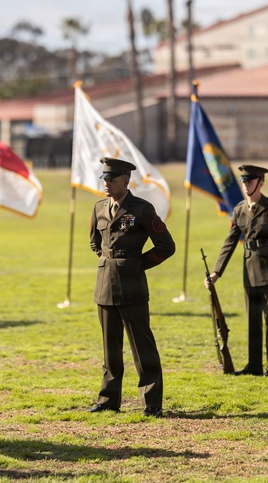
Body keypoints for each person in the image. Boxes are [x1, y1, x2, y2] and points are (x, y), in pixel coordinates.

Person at [87, 157, 175, 417]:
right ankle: (108, 399)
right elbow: (95, 243)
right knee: (110, 348)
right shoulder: (99, 208)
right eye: (104, 179)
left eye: (111, 180)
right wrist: (110, 263)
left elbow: (166, 246)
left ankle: (151, 402)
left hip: (133, 287)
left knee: (142, 348)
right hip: (105, 286)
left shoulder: (142, 209)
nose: (106, 184)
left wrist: (137, 264)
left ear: (126, 181)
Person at [207, 165, 268, 376]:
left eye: (250, 181)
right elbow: (229, 242)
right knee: (253, 321)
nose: (246, 185)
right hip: (249, 271)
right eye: (243, 182)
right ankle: (255, 366)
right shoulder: (239, 210)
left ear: (260, 182)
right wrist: (216, 272)